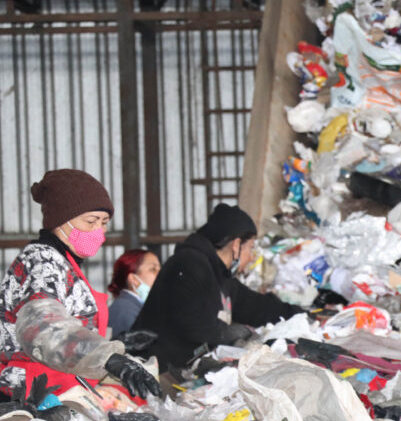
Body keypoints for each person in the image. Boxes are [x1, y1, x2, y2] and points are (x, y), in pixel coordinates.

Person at [0, 169, 160, 400]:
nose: (100, 231)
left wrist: (118, 344)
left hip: (65, 385)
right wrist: (108, 357)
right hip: (36, 393)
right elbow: (44, 328)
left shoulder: (65, 263)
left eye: (104, 222)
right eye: (90, 221)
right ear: (60, 221)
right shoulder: (41, 261)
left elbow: (74, 324)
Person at [132, 203, 303, 371]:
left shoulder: (221, 276)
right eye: (250, 248)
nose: (251, 257)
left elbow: (255, 306)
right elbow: (191, 322)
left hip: (180, 373)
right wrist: (228, 333)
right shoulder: (188, 265)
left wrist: (299, 314)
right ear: (236, 245)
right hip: (156, 374)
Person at [107, 249, 161, 338]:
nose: (160, 274)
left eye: (160, 269)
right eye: (153, 269)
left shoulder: (133, 307)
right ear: (133, 279)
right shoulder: (124, 310)